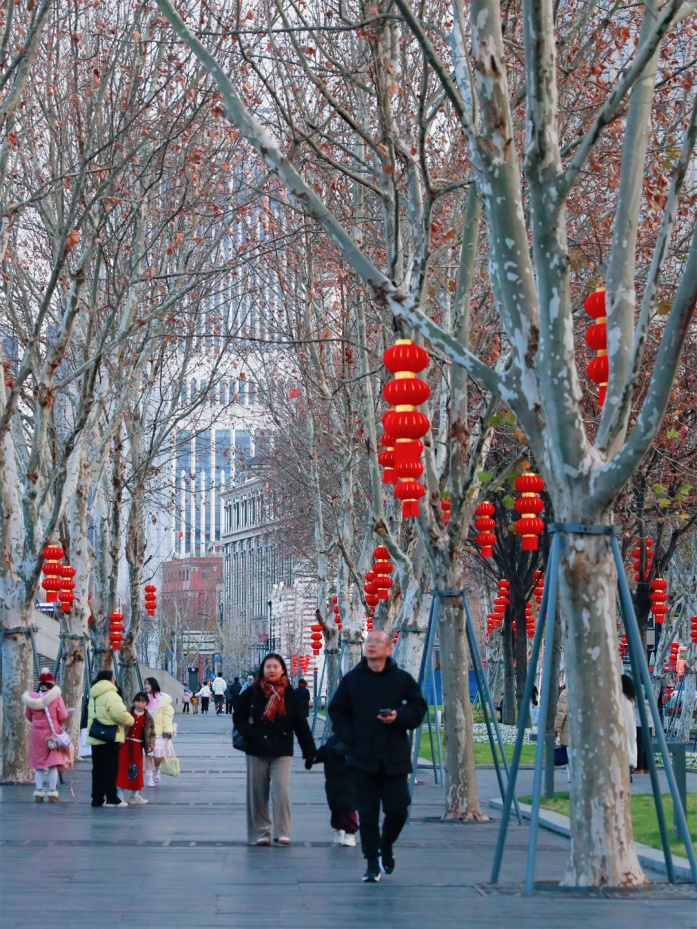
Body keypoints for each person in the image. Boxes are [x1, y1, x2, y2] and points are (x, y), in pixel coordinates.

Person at [328, 629, 427, 883]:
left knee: (399, 809)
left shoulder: (401, 679)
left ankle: (387, 845)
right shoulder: (352, 680)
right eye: (368, 641)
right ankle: (372, 863)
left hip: (394, 758)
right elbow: (337, 711)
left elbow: (418, 708)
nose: (371, 645)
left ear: (389, 648)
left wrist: (398, 716)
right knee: (368, 814)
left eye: (377, 642)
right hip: (362, 758)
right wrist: (351, 738)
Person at [233, 653, 316, 846]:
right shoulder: (252, 692)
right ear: (263, 669)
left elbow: (301, 725)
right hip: (256, 749)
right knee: (257, 794)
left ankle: (282, 832)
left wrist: (310, 751)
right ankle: (261, 832)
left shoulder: (290, 695)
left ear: (282, 670)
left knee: (281, 791)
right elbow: (238, 715)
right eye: (268, 666)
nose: (271, 670)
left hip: (282, 750)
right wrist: (248, 732)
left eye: (275, 667)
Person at [22, 667, 71, 803]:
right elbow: (63, 715)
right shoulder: (56, 697)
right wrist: (57, 723)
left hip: (36, 735)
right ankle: (52, 792)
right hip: (51, 736)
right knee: (52, 764)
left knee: (38, 765)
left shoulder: (31, 698)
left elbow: (28, 716)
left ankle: (38, 792)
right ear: (51, 683)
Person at [87, 670, 134, 808]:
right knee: (111, 768)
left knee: (98, 769)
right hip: (109, 736)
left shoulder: (93, 694)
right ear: (110, 679)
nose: (115, 680)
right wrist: (131, 720)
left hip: (96, 735)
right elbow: (119, 714)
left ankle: (97, 798)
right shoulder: (111, 694)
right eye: (113, 677)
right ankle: (112, 797)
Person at [312, 733, 359, 846]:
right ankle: (342, 831)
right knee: (338, 807)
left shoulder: (337, 740)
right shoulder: (334, 741)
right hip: (336, 780)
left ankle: (348, 832)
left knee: (345, 807)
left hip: (342, 780)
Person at [116, 692, 155, 804]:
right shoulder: (127, 713)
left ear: (146, 703)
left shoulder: (148, 718)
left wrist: (150, 745)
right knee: (122, 769)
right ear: (134, 702)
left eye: (143, 702)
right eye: (138, 701)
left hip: (138, 746)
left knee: (136, 770)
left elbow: (152, 734)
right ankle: (120, 795)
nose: (140, 704)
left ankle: (135, 796)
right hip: (125, 744)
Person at [144, 677, 175, 786]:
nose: (146, 686)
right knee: (149, 754)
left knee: (158, 757)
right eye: (145, 684)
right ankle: (149, 778)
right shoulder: (143, 699)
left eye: (148, 684)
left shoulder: (163, 700)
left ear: (153, 685)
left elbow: (167, 717)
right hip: (147, 733)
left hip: (159, 733)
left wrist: (168, 730)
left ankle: (158, 768)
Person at [621, 674, 638, 777]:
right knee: (631, 744)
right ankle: (631, 764)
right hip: (631, 727)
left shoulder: (621, 698)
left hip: (623, 726)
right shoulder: (630, 699)